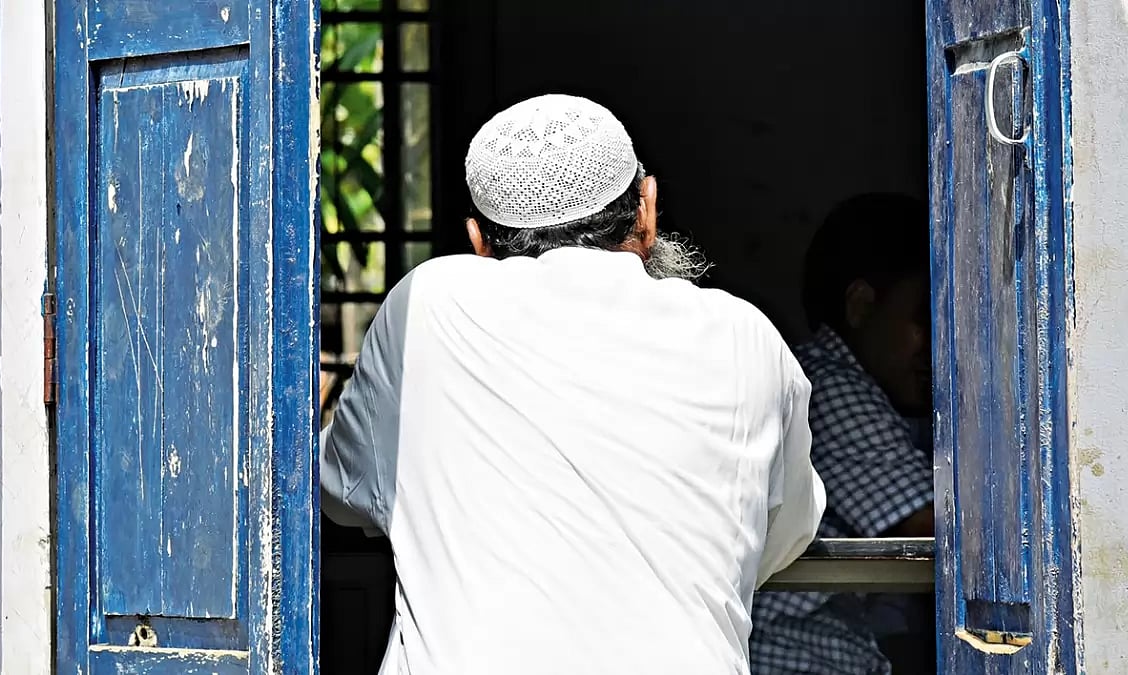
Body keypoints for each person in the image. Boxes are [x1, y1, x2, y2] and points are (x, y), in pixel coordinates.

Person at [320, 94, 825, 675]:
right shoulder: (746, 337)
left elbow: (336, 488)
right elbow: (784, 530)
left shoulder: (429, 306)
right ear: (647, 210)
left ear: (478, 241)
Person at [749, 193, 935, 675]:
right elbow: (938, 528)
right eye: (926, 316)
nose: (939, 343)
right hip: (792, 656)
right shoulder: (829, 387)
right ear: (861, 305)